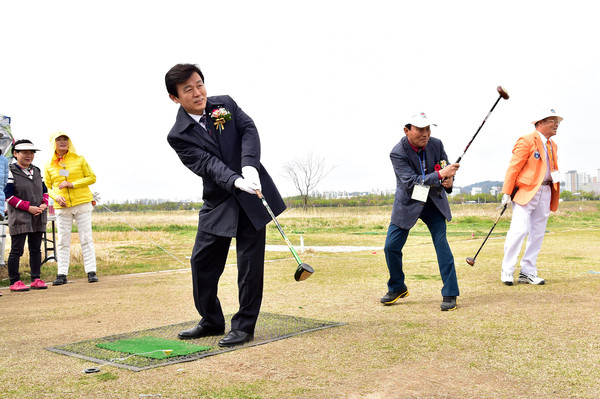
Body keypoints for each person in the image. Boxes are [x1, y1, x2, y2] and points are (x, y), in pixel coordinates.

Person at [165, 63, 285, 347]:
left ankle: (244, 326)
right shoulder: (177, 135)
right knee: (202, 261)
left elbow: (248, 130)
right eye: (188, 89)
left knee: (249, 264)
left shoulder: (225, 104)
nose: (197, 93)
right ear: (175, 97)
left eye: (199, 84)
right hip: (219, 199)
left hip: (252, 193)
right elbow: (206, 164)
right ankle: (211, 320)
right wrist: (234, 180)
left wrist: (249, 167)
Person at [380, 112, 461, 311]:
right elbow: (410, 182)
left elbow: (445, 170)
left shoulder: (437, 144)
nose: (425, 134)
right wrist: (441, 174)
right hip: (408, 202)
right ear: (407, 130)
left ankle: (450, 293)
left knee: (442, 245)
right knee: (391, 247)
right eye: (420, 129)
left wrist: (449, 181)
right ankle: (397, 287)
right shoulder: (397, 152)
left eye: (428, 129)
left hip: (434, 201)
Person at [500, 109, 562, 286]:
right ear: (540, 122)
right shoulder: (526, 140)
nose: (557, 124)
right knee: (519, 230)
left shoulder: (553, 145)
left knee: (538, 233)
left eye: (558, 121)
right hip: (526, 192)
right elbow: (514, 167)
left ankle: (528, 271)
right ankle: (507, 269)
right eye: (553, 120)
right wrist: (507, 192)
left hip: (546, 190)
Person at [44, 132, 98, 285]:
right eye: (59, 140)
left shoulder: (79, 159)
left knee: (86, 238)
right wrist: (56, 197)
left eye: (65, 139)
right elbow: (47, 187)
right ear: (53, 143)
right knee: (62, 240)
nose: (63, 142)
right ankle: (61, 274)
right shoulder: (48, 164)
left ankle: (91, 271)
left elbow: (92, 177)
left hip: (82, 203)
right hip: (63, 207)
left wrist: (72, 184)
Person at [4, 140, 49, 292]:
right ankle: (14, 280)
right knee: (17, 250)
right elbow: (8, 196)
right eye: (24, 152)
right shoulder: (10, 171)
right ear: (15, 154)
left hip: (38, 215)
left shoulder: (36, 171)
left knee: (36, 249)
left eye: (31, 152)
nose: (29, 155)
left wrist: (43, 204)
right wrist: (27, 207)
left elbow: (45, 191)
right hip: (20, 216)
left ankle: (36, 278)